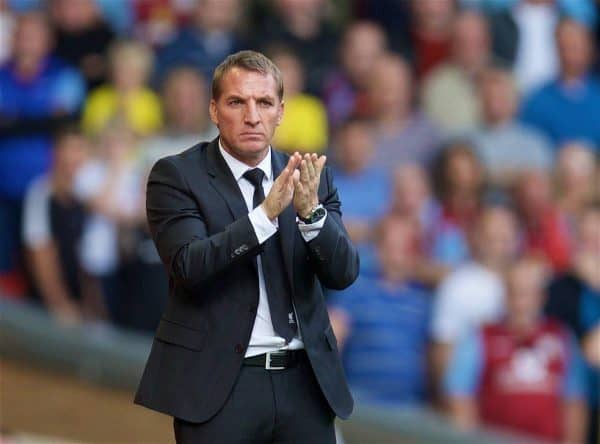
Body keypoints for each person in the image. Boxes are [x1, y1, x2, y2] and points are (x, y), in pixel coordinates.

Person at [134, 50, 359, 443]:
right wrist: (264, 216)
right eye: (237, 102)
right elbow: (188, 265)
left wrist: (312, 217)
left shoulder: (310, 177)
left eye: (264, 103)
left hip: (304, 384)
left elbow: (343, 273)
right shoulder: (176, 176)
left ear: (281, 111)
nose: (252, 116)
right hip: (220, 385)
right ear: (214, 110)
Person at [445, 257, 587, 443]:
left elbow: (574, 401)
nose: (520, 302)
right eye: (514, 292)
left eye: (527, 293)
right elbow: (459, 396)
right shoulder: (480, 337)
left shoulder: (562, 337)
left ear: (541, 297)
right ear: (504, 295)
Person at [328, 215, 432, 406]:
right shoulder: (354, 289)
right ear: (378, 249)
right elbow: (332, 340)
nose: (397, 255)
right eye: (391, 246)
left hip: (410, 410)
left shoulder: (423, 300)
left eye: (404, 248)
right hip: (361, 406)